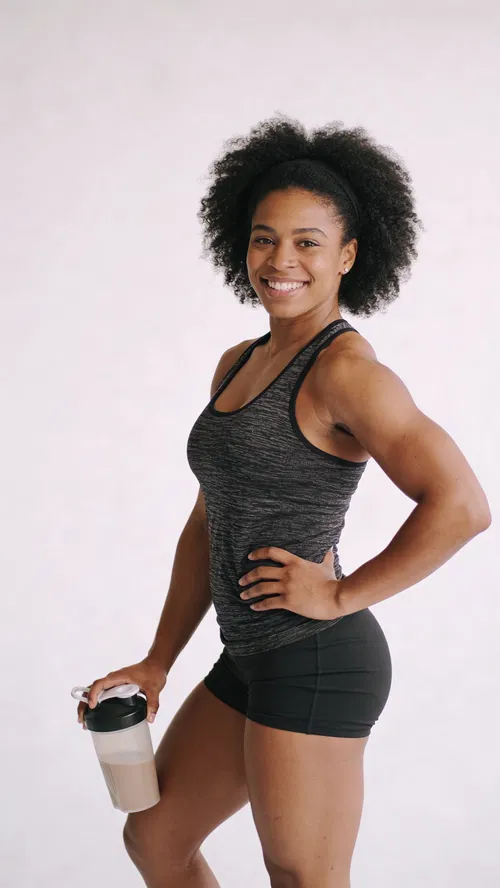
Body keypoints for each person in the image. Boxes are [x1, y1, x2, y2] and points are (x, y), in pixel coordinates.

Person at [77, 115, 491, 888]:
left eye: (307, 241)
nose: (281, 259)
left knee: (302, 877)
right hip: (250, 655)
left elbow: (462, 505)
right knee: (157, 840)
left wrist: (340, 592)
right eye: (265, 238)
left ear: (348, 256)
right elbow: (210, 521)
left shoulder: (347, 374)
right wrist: (160, 662)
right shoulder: (239, 363)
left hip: (318, 660)